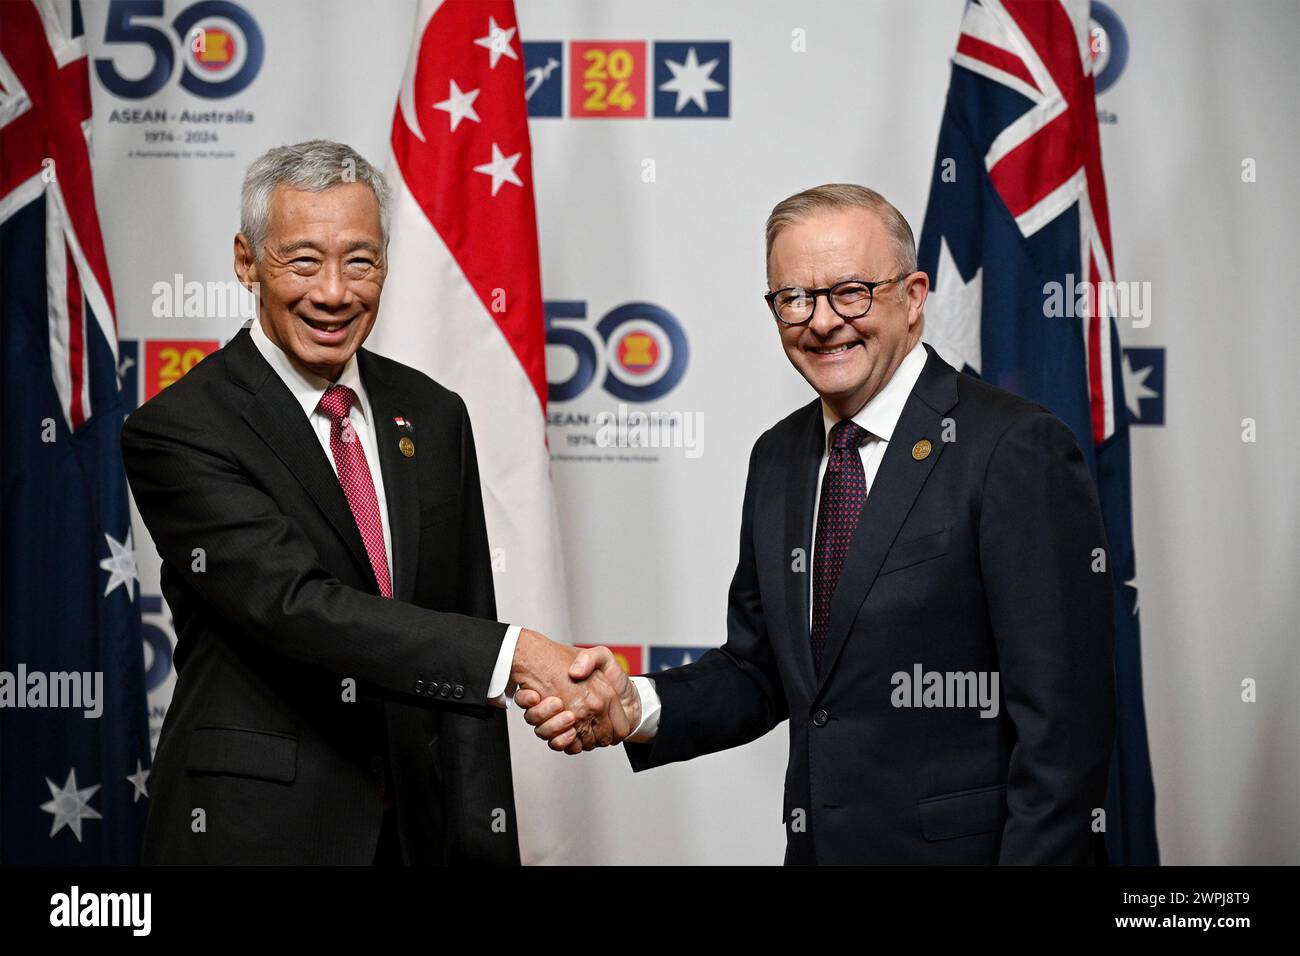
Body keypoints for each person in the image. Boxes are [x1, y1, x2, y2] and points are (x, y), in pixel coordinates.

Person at [518, 184, 1117, 865]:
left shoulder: (1013, 447)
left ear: (914, 295)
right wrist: (637, 705)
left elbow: (1063, 730)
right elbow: (761, 670)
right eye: (794, 298)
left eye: (852, 291)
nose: (822, 321)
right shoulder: (779, 456)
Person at [121, 140, 628, 865]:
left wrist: (486, 844)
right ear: (245, 261)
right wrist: (520, 655)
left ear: (386, 263)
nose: (334, 292)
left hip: (415, 833)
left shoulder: (432, 412)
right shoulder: (180, 428)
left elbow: (463, 625)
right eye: (302, 260)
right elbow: (297, 605)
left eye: (360, 261)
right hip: (255, 834)